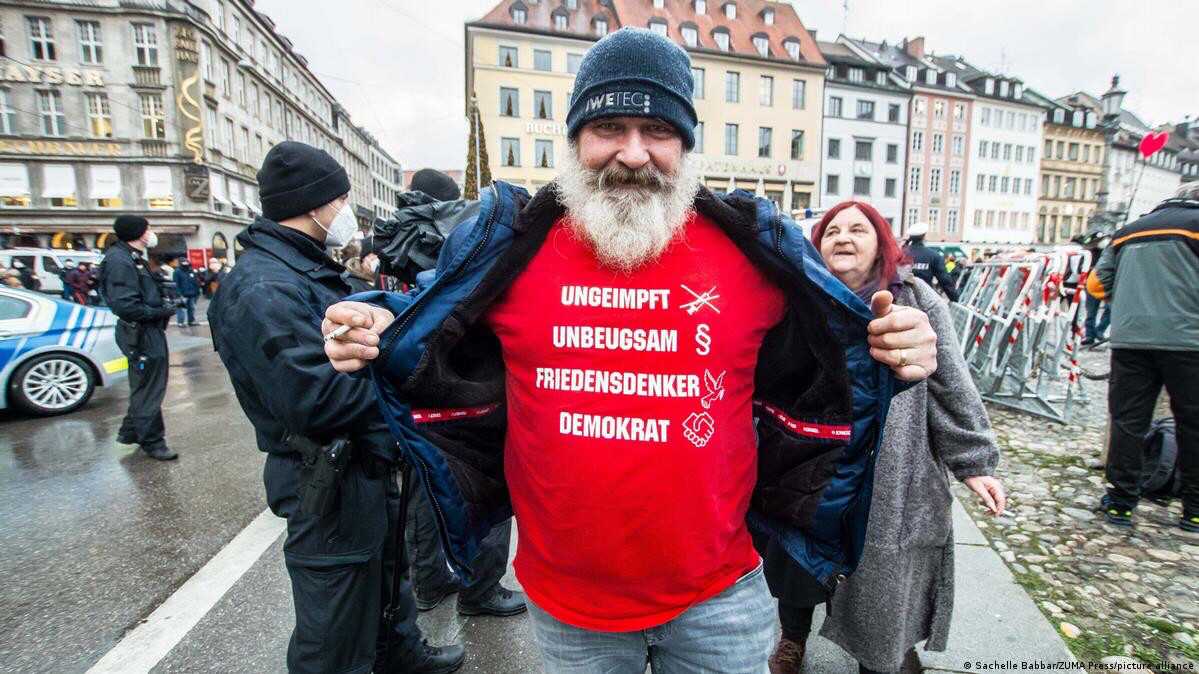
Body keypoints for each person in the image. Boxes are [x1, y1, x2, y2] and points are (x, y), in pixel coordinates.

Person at [323, 28, 940, 672]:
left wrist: (895, 352)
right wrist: (371, 320)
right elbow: (428, 318)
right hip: (567, 608)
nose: (634, 152)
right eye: (609, 127)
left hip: (720, 598)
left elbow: (829, 360)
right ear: (575, 141)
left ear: (687, 145)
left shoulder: (753, 249)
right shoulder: (512, 246)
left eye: (658, 131)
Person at [208, 142, 463, 673]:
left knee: (385, 578)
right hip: (325, 475)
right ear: (316, 204)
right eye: (342, 199)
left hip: (361, 465)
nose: (346, 211)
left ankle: (399, 656)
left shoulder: (304, 270)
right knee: (334, 624)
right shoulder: (263, 288)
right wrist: (405, 379)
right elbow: (314, 399)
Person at [761, 201, 1006, 674]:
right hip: (812, 462)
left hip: (893, 470)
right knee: (796, 559)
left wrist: (974, 462)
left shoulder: (916, 300)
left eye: (858, 229)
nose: (843, 238)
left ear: (881, 244)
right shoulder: (798, 298)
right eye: (832, 230)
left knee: (884, 577)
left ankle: (884, 653)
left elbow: (951, 383)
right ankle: (792, 637)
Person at [380, 169, 523, 617]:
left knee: (431, 488)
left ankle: (430, 582)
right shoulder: (463, 228)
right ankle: (481, 591)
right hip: (468, 386)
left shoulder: (400, 233)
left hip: (420, 390)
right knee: (480, 486)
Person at [1089, 182, 1199, 532]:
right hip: (1189, 339)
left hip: (1131, 339)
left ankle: (1121, 502)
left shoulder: (1127, 232)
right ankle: (1194, 509)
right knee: (1193, 423)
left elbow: (1096, 285)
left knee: (1128, 421)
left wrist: (1130, 303)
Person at [99, 215, 178, 461]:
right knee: (148, 389)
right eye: (148, 228)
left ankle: (131, 431)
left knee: (147, 385)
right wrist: (159, 311)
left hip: (147, 330)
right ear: (140, 233)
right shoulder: (120, 261)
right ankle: (153, 442)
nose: (151, 233)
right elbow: (125, 305)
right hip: (141, 333)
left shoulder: (132, 259)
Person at [903, 221, 958, 302]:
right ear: (924, 237)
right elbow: (945, 280)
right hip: (924, 299)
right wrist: (954, 298)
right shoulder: (933, 255)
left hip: (902, 300)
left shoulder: (900, 253)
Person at [1082, 234, 1112, 346]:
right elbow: (1082, 268)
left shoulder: (1111, 251)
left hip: (1107, 286)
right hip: (1091, 285)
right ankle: (1090, 335)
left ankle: (1100, 331)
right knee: (1091, 312)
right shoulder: (1089, 253)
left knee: (1110, 310)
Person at [171, 258, 201, 326]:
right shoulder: (177, 272)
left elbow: (195, 281)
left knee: (191, 308)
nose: (186, 263)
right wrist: (178, 293)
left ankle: (191, 321)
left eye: (186, 262)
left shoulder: (191, 271)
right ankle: (181, 322)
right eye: (184, 262)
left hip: (191, 293)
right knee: (181, 309)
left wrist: (197, 291)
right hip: (182, 294)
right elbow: (176, 283)